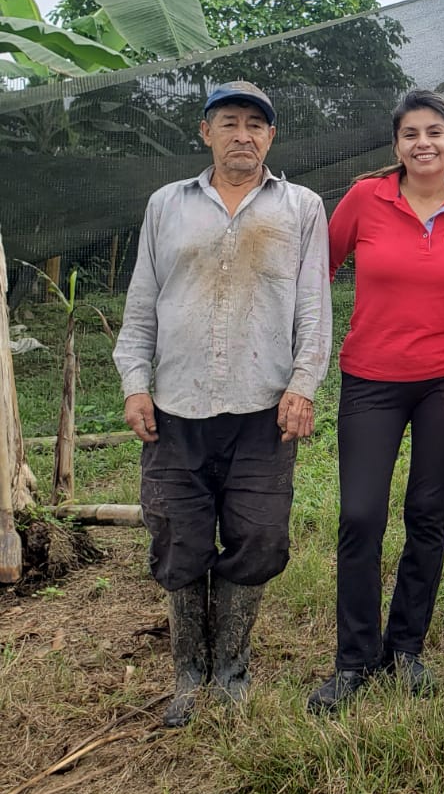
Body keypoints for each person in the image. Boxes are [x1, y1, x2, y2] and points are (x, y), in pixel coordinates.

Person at [114, 81, 332, 727]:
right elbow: (143, 301)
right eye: (229, 122)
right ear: (205, 133)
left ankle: (231, 670)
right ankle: (189, 673)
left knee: (258, 535)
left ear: (271, 137)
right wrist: (134, 382)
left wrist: (303, 384)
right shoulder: (167, 205)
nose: (243, 135)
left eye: (255, 125)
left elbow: (313, 307)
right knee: (177, 536)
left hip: (264, 408)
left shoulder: (301, 207)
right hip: (176, 406)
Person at [307, 90, 444, 714]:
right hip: (371, 379)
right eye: (411, 133)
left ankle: (405, 650)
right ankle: (354, 660)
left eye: (434, 132)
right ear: (397, 145)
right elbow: (317, 270)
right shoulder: (366, 199)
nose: (423, 143)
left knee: (427, 513)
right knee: (361, 514)